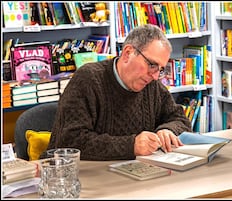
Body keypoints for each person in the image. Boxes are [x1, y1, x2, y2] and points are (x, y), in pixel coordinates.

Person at [42, 24, 192, 161]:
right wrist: (130, 145)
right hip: (74, 176)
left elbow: (181, 120)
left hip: (130, 175)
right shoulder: (88, 80)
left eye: (160, 69)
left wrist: (167, 130)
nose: (154, 75)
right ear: (127, 53)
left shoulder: (152, 85)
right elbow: (71, 141)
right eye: (152, 65)